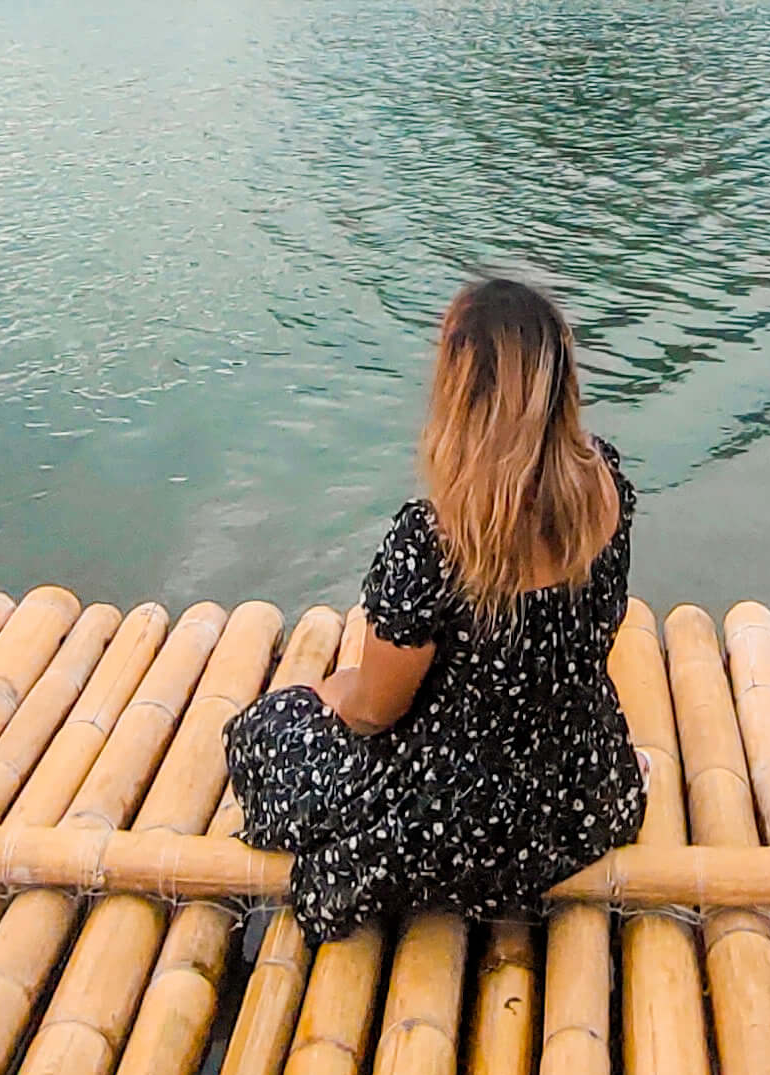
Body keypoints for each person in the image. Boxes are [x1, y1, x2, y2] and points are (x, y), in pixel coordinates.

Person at [226, 277, 646, 944]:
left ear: (462, 391)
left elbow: (374, 711)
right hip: (584, 790)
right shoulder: (607, 487)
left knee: (265, 729)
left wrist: (333, 695)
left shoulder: (434, 544)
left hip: (455, 824)